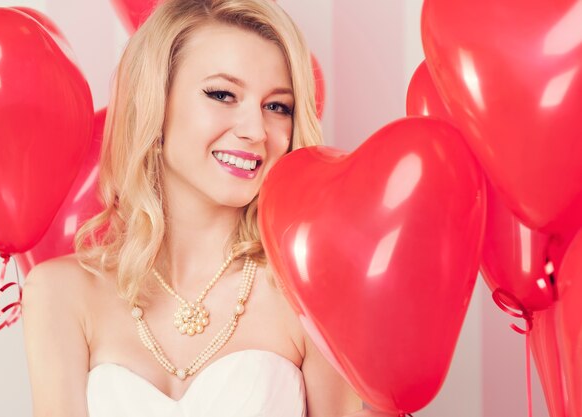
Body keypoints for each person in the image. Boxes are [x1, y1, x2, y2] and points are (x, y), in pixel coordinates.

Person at [22, 0, 390, 416]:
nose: (255, 131)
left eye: (277, 107)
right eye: (222, 94)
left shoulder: (310, 295)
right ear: (155, 106)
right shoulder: (58, 293)